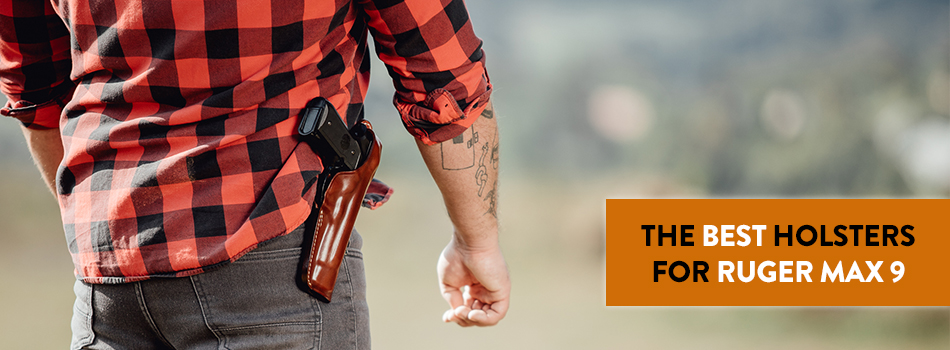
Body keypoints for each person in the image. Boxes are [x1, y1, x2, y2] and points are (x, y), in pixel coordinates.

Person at [0, 0, 509, 348]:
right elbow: (444, 76)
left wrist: (102, 229)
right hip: (272, 254)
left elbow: (36, 92)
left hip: (106, 278)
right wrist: (477, 241)